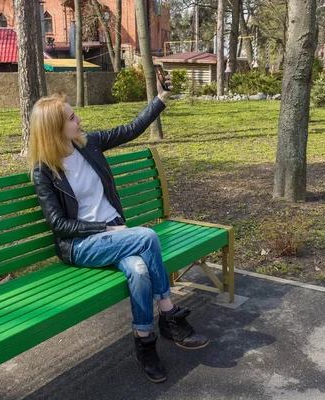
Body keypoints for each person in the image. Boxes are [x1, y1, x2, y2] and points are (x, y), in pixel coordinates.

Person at [28, 77, 208, 383]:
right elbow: (59, 225)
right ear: (56, 129)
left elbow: (131, 128)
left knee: (138, 271)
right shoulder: (44, 171)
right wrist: (104, 226)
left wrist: (160, 99)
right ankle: (168, 313)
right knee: (147, 235)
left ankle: (144, 341)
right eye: (72, 117)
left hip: (116, 236)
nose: (79, 119)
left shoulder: (88, 145)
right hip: (83, 244)